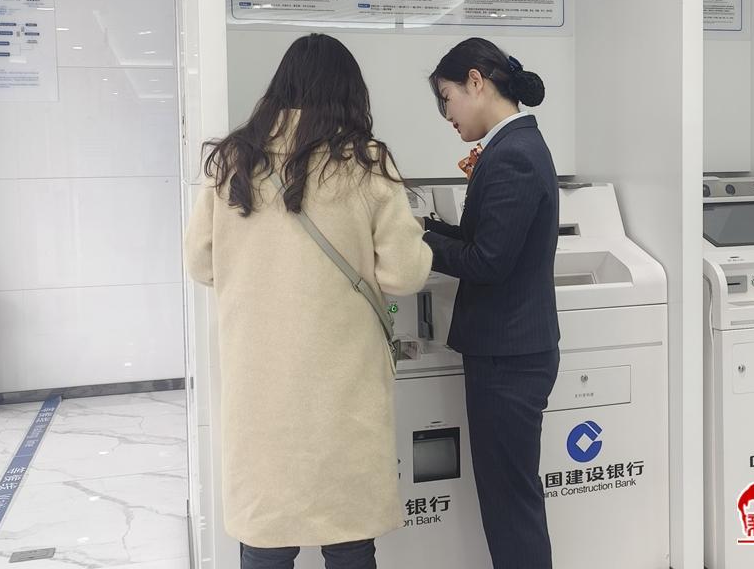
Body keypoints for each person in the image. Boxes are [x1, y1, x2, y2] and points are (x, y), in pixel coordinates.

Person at [184, 33, 432, 569]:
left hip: (259, 389)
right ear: (349, 93)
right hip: (342, 389)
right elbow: (405, 273)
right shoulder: (365, 162)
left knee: (265, 542)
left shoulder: (231, 160)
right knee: (349, 539)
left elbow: (200, 264)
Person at [421, 37, 561, 568]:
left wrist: (419, 242)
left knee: (510, 506)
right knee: (507, 500)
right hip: (509, 353)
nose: (447, 115)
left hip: (508, 358)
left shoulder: (514, 155)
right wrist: (428, 226)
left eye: (447, 98)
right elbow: (486, 239)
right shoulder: (512, 147)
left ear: (476, 82)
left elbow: (487, 261)